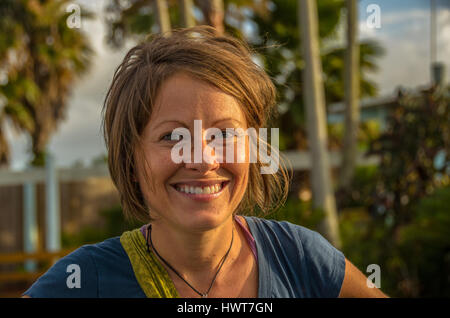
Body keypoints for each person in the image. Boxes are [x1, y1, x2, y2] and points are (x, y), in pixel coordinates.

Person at [23, 26, 387, 298]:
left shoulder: (300, 258)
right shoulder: (86, 280)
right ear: (131, 159)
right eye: (172, 137)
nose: (203, 159)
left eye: (225, 135)